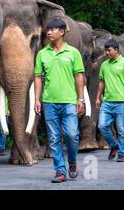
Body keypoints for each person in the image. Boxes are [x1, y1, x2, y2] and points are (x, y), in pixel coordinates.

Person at [34, 18, 85, 183]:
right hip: (49, 102)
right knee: (54, 137)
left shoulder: (73, 52)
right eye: (47, 30)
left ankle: (72, 161)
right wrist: (37, 99)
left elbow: (79, 77)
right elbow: (38, 78)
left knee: (72, 135)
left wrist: (81, 99)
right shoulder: (42, 54)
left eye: (53, 29)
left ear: (62, 32)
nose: (49, 32)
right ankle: (60, 171)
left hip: (69, 101)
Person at [96, 39, 124, 163]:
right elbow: (101, 82)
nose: (106, 53)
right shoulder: (104, 65)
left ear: (116, 50)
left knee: (122, 129)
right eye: (105, 51)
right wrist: (98, 97)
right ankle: (114, 145)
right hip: (106, 102)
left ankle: (121, 154)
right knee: (102, 126)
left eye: (109, 50)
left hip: (121, 102)